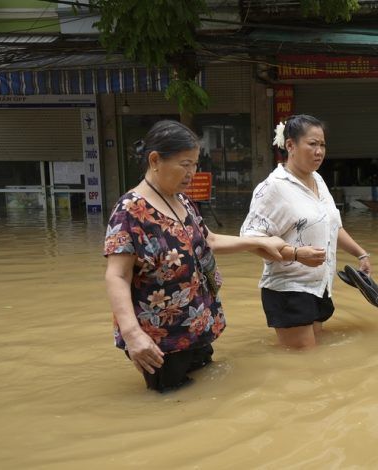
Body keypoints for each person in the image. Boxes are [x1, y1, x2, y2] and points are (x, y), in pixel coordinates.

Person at [104, 120, 286, 392]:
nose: (192, 173)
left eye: (195, 164)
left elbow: (209, 240)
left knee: (204, 391)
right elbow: (117, 275)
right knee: (171, 401)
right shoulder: (129, 211)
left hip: (196, 325)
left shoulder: (182, 200)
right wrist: (133, 335)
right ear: (155, 160)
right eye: (184, 164)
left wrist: (257, 242)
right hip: (160, 339)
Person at [240, 114, 373, 349]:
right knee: (303, 367)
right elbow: (250, 240)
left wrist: (360, 253)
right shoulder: (272, 188)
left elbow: (333, 226)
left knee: (313, 360)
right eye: (312, 144)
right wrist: (296, 254)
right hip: (289, 290)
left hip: (319, 286)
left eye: (322, 145)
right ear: (290, 145)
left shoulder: (318, 181)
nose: (319, 151)